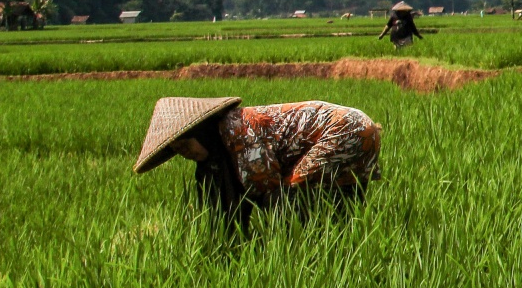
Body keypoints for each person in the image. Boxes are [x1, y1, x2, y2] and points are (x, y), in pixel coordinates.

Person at [134, 95, 382, 222]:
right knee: (337, 194)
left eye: (186, 144)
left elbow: (266, 187)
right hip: (358, 125)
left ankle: (307, 244)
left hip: (345, 129)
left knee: (292, 192)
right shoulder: (226, 134)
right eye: (178, 150)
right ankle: (342, 237)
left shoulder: (238, 132)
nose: (185, 153)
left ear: (200, 133)